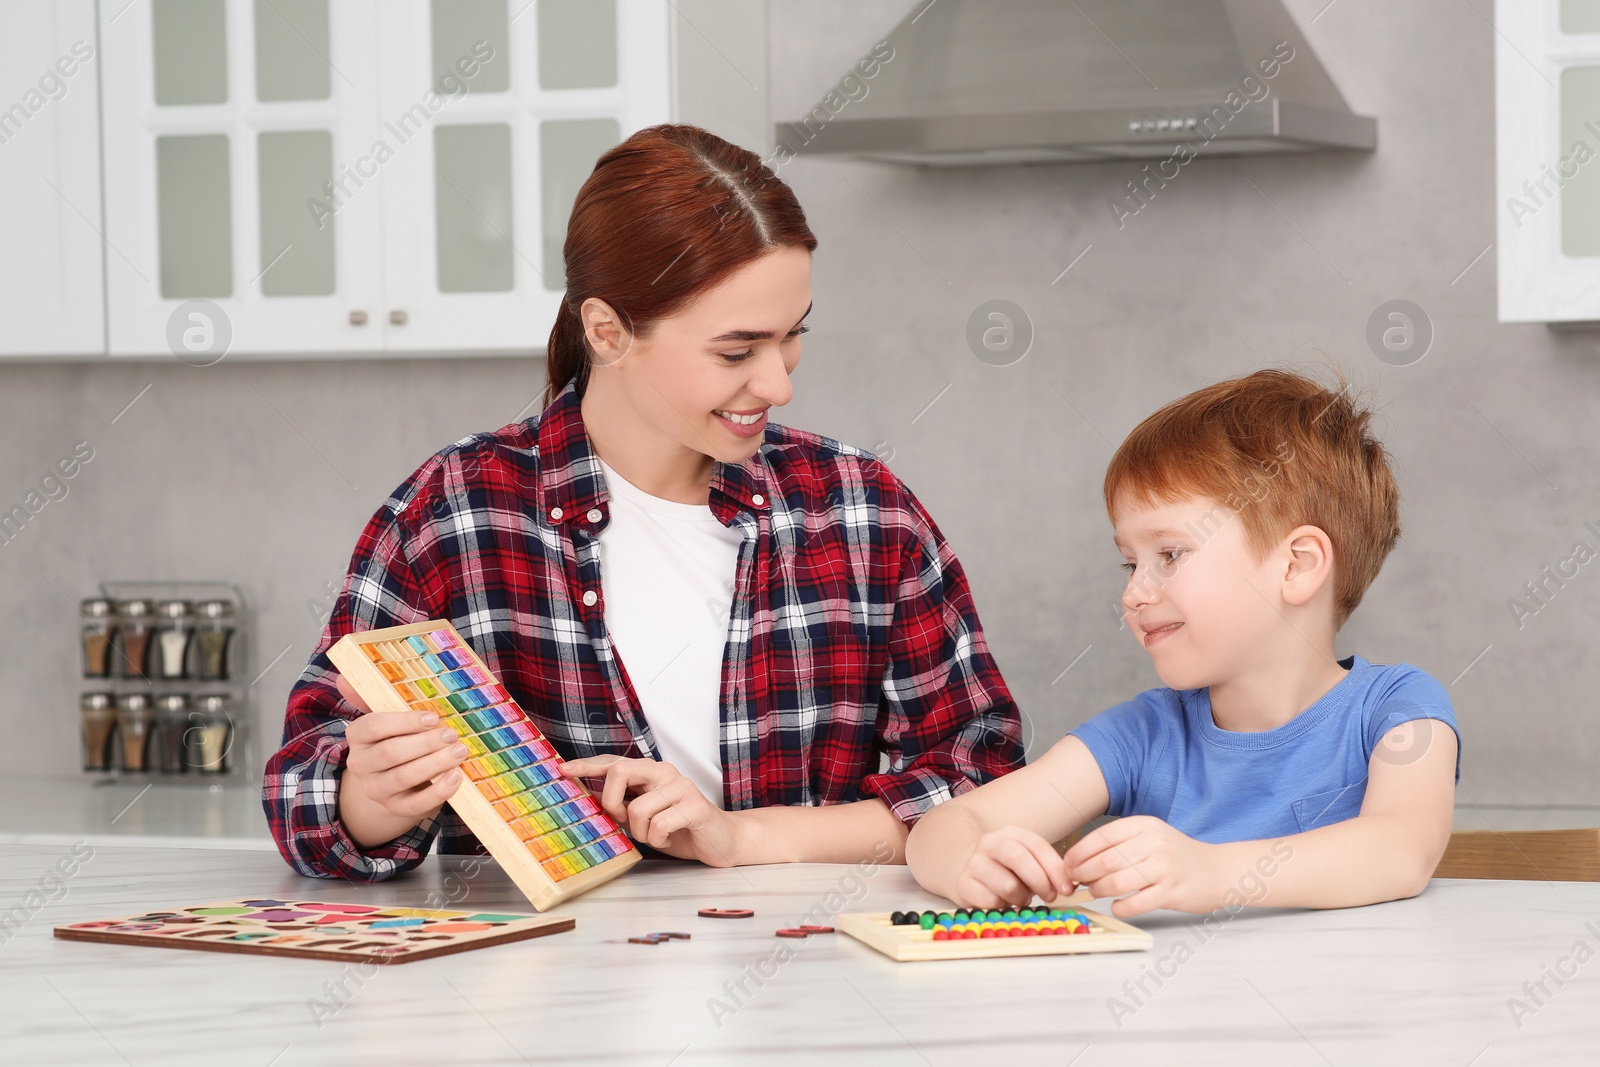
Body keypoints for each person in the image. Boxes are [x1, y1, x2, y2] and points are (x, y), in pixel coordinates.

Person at [264, 124, 1024, 881]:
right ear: (607, 331)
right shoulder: (457, 511)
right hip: (552, 987)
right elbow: (302, 787)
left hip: (809, 977)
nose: (780, 383)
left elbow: (986, 783)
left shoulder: (863, 512)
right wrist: (369, 799)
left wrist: (742, 835)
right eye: (736, 351)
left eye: (793, 336)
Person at [906, 368, 1460, 916]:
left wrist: (1213, 872)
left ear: (1298, 566)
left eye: (1169, 554)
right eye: (1130, 563)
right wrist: (969, 861)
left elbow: (1402, 849)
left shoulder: (1397, 708)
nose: (1133, 593)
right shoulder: (1143, 736)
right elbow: (943, 828)